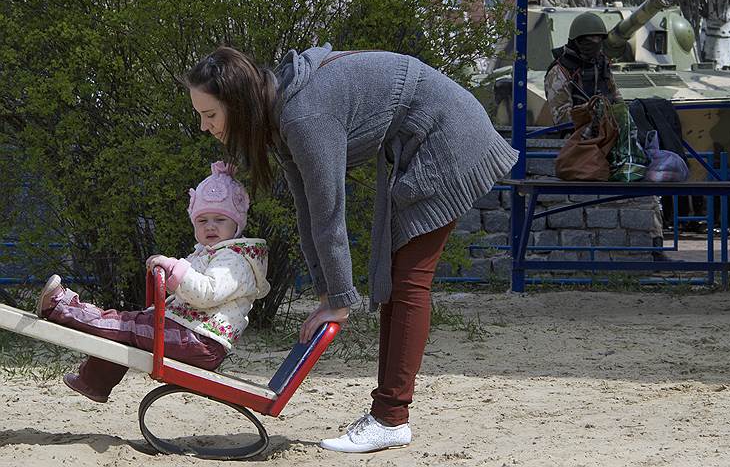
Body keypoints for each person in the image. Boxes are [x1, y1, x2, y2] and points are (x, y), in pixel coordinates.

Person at [184, 45, 518, 453]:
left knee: (410, 280)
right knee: (400, 278)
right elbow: (306, 207)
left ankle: (390, 419)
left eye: (210, 115)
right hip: (422, 140)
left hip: (449, 137)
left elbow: (330, 210)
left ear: (237, 104)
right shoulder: (281, 112)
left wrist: (339, 301)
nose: (204, 126)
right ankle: (390, 416)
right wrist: (327, 294)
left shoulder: (304, 115)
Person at [36, 161, 271, 403]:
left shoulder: (233, 260)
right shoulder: (211, 253)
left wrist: (173, 267)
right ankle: (93, 381)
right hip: (191, 334)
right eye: (203, 220)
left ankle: (61, 306)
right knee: (128, 327)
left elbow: (207, 292)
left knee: (125, 326)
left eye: (220, 219)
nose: (210, 226)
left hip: (199, 341)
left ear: (237, 224)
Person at [544, 11, 624, 130]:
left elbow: (617, 99)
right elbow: (561, 118)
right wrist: (589, 110)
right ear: (577, 40)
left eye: (599, 38)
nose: (596, 42)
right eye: (591, 38)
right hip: (576, 137)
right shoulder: (560, 72)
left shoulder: (601, 64)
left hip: (607, 131)